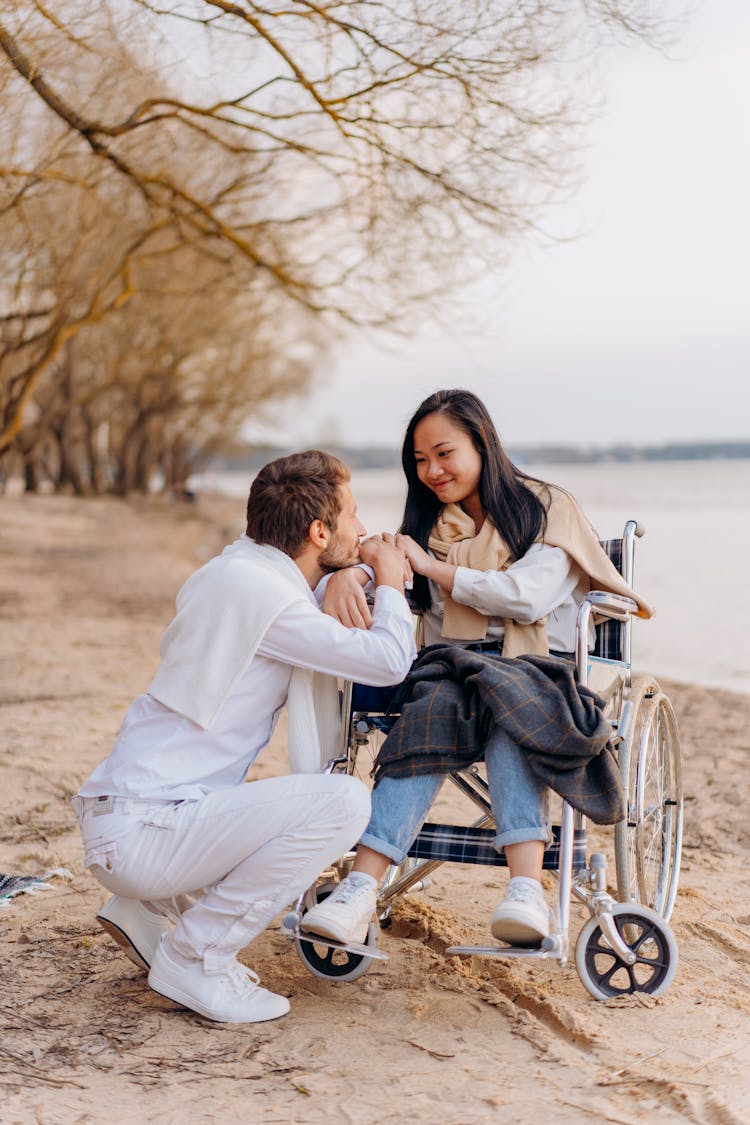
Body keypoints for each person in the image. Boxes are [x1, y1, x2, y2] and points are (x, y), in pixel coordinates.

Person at [73, 450, 416, 1024]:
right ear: (317, 530)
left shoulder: (231, 571)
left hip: (124, 816)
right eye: (353, 517)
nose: (362, 529)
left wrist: (345, 571)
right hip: (146, 833)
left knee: (273, 805)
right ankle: (196, 955)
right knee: (343, 804)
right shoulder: (271, 602)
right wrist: (388, 579)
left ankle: (145, 910)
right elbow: (387, 661)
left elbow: (300, 601)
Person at [301, 390, 651, 950]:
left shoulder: (546, 509)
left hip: (538, 666)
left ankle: (525, 891)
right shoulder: (429, 523)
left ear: (482, 445)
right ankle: (359, 890)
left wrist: (429, 568)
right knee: (428, 710)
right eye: (419, 461)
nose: (432, 471)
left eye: (444, 453)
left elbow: (526, 597)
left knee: (513, 707)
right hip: (452, 669)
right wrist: (355, 573)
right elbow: (384, 557)